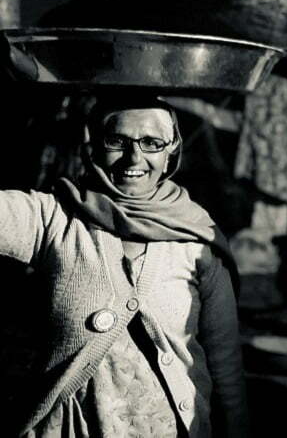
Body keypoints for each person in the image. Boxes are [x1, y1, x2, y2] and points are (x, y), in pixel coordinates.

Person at [1, 95, 248, 437]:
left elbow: (226, 369)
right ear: (93, 147)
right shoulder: (54, 218)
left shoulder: (197, 243)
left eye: (151, 143)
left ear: (170, 151)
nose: (135, 157)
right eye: (117, 141)